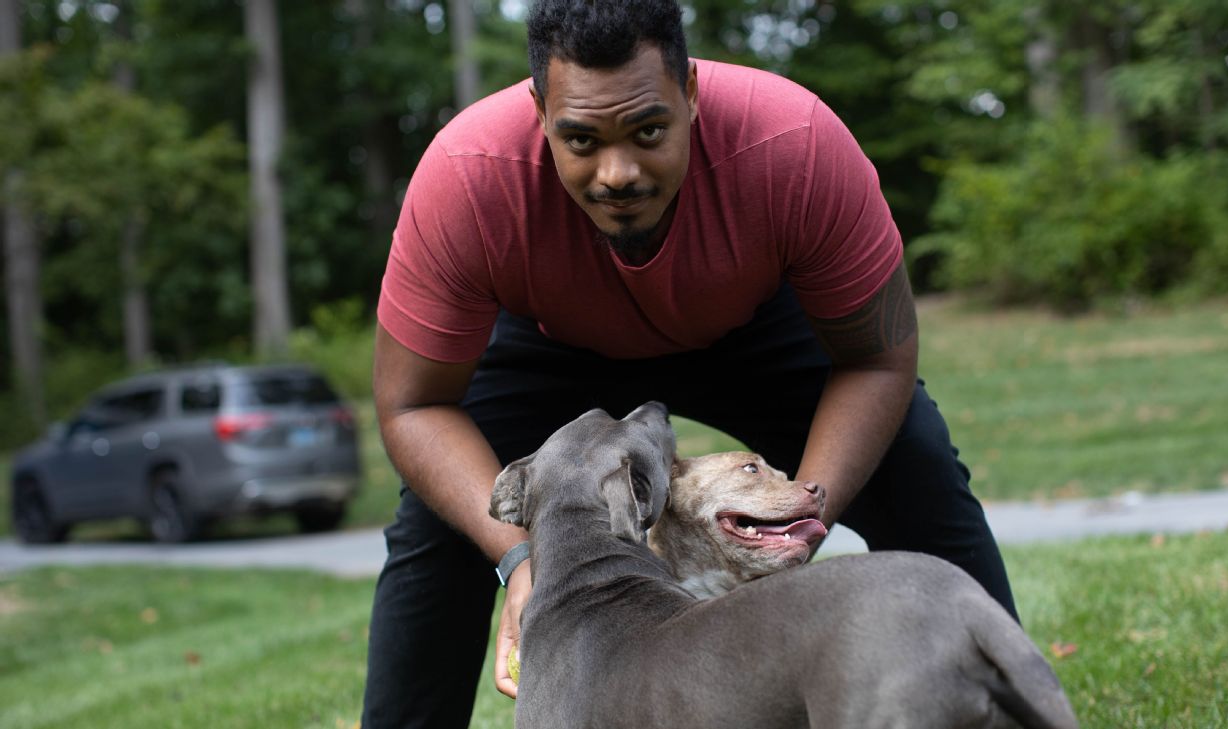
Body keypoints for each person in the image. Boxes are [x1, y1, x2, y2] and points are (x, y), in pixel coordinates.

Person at [362, 1, 1018, 726]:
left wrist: (803, 514)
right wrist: (522, 560)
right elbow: (413, 405)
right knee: (438, 526)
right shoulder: (468, 177)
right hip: (551, 343)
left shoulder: (794, 143)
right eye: (580, 138)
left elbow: (878, 361)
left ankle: (1000, 687)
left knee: (915, 462)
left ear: (692, 94)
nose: (617, 171)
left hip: (751, 322)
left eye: (648, 131)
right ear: (539, 111)